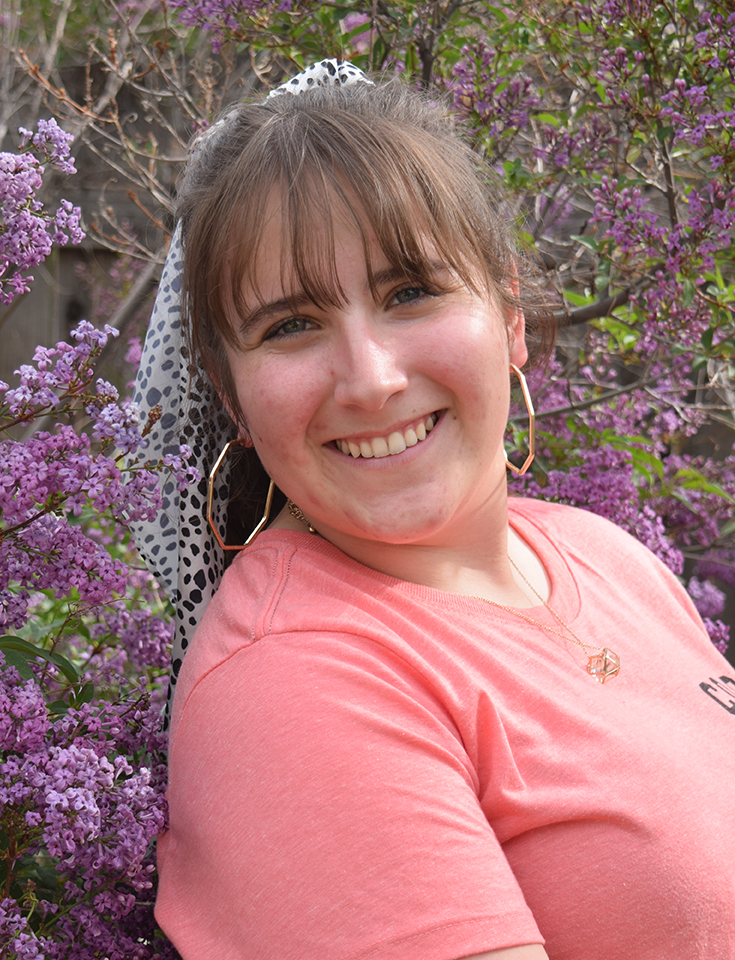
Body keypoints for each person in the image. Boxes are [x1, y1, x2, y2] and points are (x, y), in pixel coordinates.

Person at [131, 61, 735, 960]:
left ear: (511, 315)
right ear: (231, 390)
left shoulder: (607, 556)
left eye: (410, 292)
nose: (372, 379)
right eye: (290, 326)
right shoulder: (295, 683)